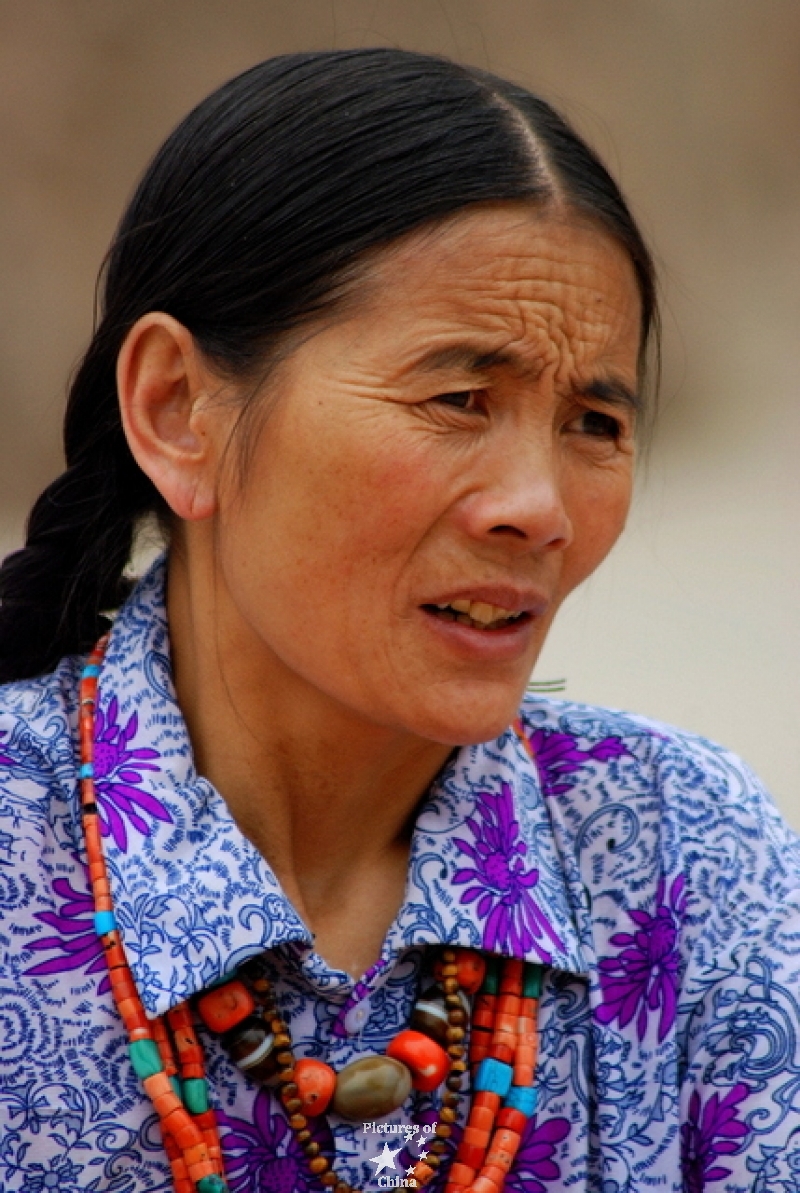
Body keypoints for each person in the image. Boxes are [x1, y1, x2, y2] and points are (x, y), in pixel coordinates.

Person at [0, 48, 798, 1193]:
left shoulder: (684, 856)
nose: (538, 508)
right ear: (179, 410)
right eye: (456, 398)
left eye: (591, 421)